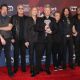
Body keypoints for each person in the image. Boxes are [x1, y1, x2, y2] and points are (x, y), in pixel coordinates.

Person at [36, 4, 56, 74]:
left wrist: (51, 31)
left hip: (49, 40)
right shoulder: (39, 19)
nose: (47, 11)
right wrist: (43, 28)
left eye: (48, 10)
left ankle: (47, 68)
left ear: (50, 11)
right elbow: (36, 28)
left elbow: (56, 29)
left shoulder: (53, 19)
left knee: (48, 54)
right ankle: (38, 69)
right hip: (41, 40)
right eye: (46, 10)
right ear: (44, 11)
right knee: (39, 55)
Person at [10, 4, 28, 73]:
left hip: (24, 40)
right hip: (16, 39)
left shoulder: (27, 18)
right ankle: (15, 68)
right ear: (17, 9)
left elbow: (28, 30)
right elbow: (10, 29)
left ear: (23, 10)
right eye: (19, 8)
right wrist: (11, 37)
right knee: (16, 54)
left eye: (22, 8)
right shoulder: (13, 17)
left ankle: (23, 68)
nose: (21, 9)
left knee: (23, 54)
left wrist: (27, 40)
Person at [24, 6, 39, 77]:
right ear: (31, 11)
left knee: (38, 55)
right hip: (30, 40)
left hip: (38, 40)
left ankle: (37, 68)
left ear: (37, 11)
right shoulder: (27, 19)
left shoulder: (39, 19)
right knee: (31, 55)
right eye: (33, 10)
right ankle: (32, 68)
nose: (34, 11)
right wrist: (26, 40)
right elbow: (25, 31)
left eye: (36, 10)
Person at [0, 4, 14, 77]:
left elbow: (9, 28)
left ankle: (10, 72)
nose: (5, 10)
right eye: (3, 9)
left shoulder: (10, 18)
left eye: (6, 9)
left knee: (8, 56)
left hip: (8, 39)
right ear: (0, 10)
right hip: (0, 38)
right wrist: (1, 38)